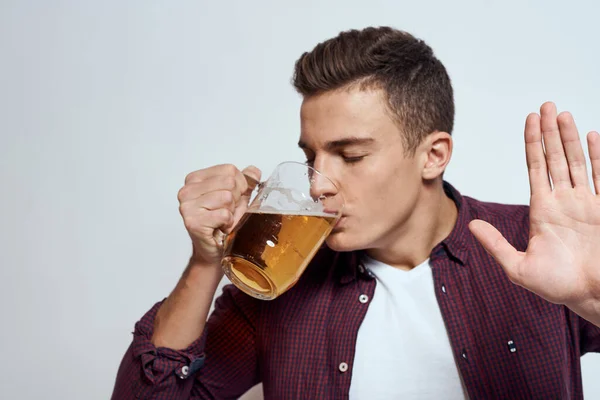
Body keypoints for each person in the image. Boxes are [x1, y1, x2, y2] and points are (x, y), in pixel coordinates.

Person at [111, 26, 600, 399]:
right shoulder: (279, 280)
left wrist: (594, 297)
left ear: (433, 154)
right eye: (311, 157)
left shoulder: (536, 246)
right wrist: (206, 260)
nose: (318, 183)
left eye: (351, 155)